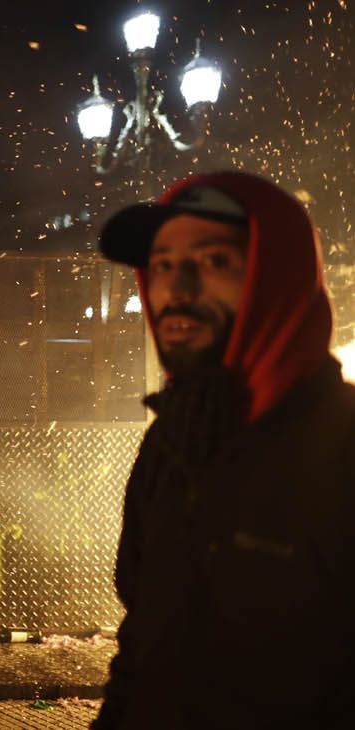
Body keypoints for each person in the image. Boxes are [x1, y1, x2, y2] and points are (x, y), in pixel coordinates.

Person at [92, 171, 355, 728]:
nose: (178, 288)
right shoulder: (171, 443)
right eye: (162, 265)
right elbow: (143, 649)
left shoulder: (343, 446)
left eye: (213, 262)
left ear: (274, 279)